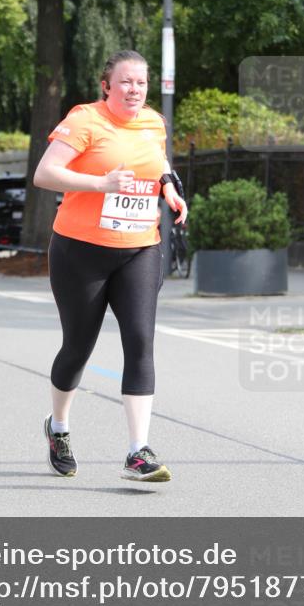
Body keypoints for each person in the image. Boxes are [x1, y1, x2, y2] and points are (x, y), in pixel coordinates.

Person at [33, 49, 187, 482]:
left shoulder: (153, 122)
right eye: (125, 82)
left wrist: (168, 186)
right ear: (106, 86)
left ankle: (138, 452)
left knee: (140, 341)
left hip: (140, 248)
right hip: (80, 251)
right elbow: (45, 174)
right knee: (77, 347)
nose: (134, 89)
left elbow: (157, 162)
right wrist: (101, 183)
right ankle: (58, 428)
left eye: (141, 82)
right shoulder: (85, 120)